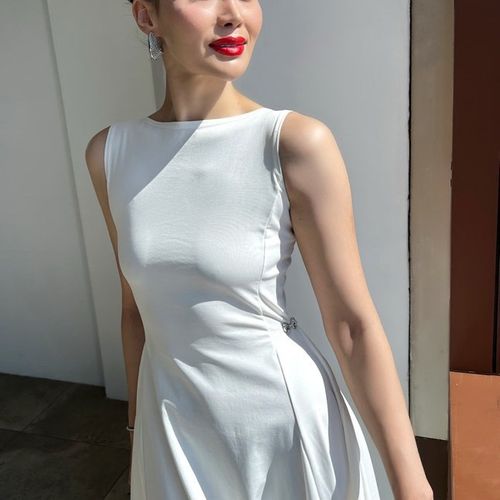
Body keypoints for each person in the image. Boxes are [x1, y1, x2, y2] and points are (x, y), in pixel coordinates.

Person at [85, 1, 433, 499]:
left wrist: (413, 486)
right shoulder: (110, 153)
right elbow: (135, 312)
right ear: (146, 16)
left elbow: (352, 326)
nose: (233, 13)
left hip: (283, 430)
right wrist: (138, 431)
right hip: (173, 429)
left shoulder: (294, 143)